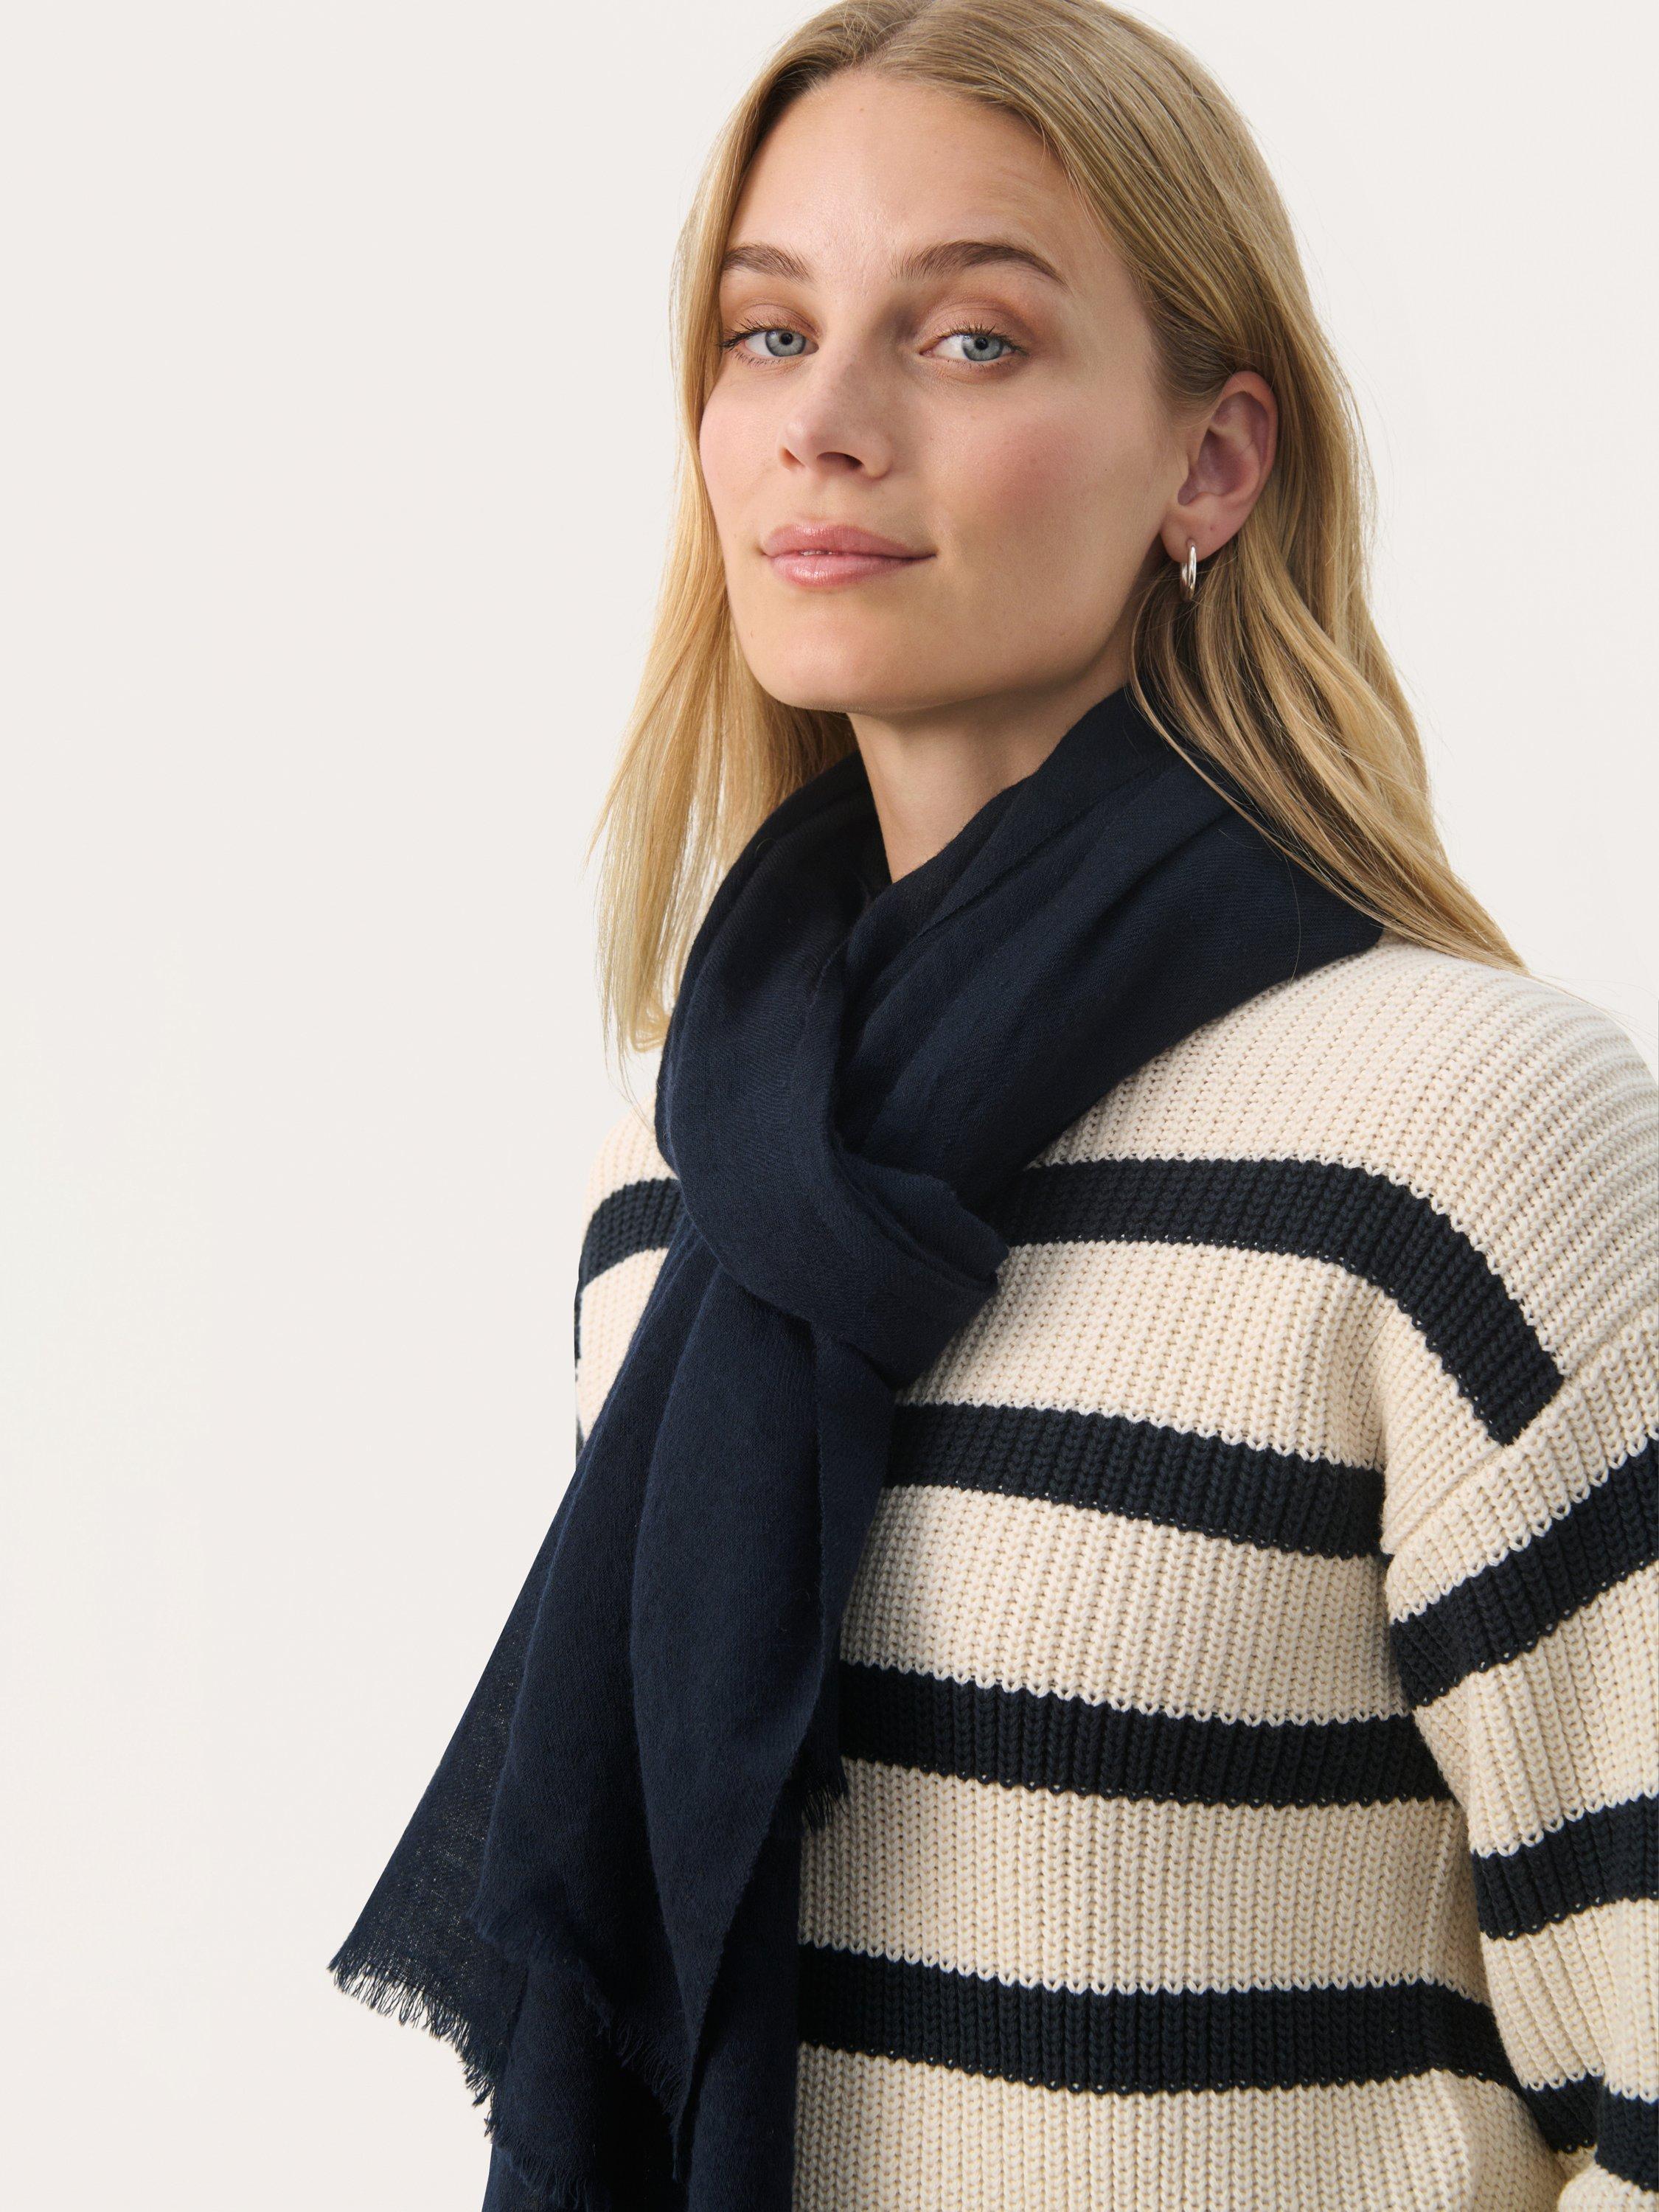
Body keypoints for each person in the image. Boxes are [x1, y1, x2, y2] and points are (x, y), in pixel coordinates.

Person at [329, 4, 1659, 2208]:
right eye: (768, 335)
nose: (823, 426)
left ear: (1210, 463)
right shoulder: (684, 1172)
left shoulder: (1464, 1140)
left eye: (966, 342)